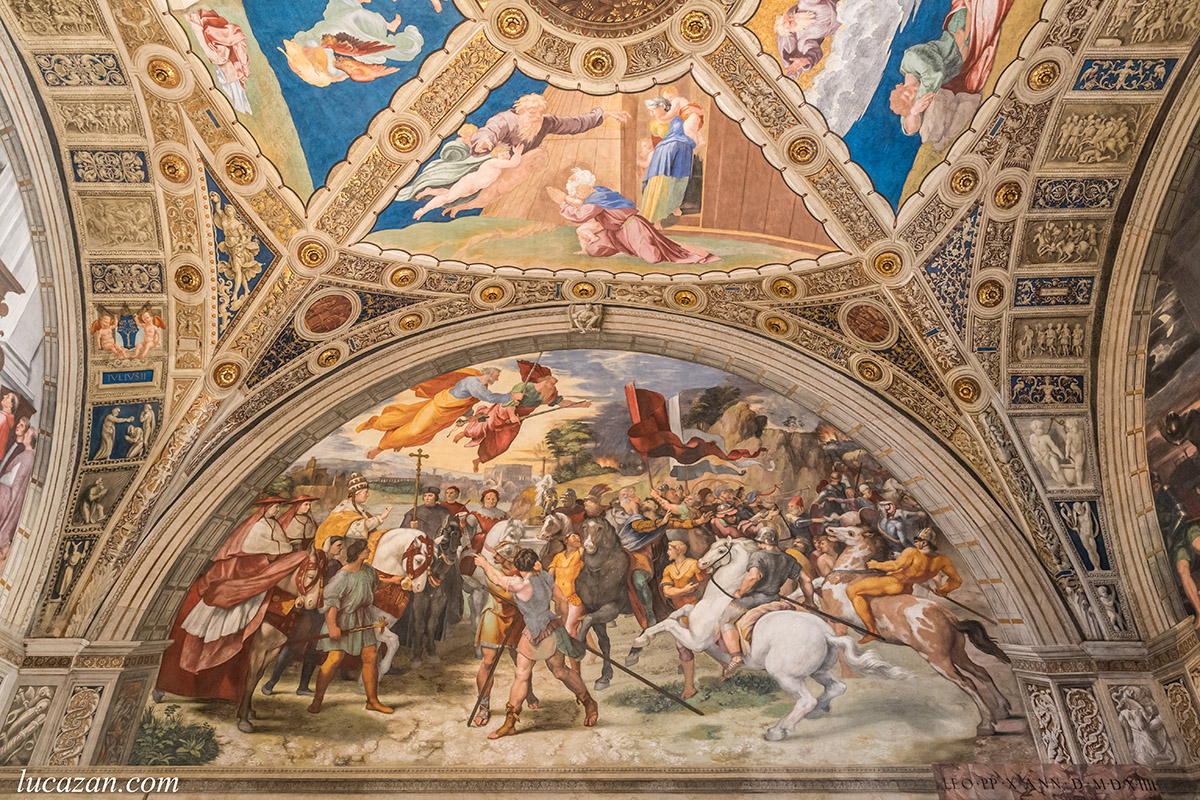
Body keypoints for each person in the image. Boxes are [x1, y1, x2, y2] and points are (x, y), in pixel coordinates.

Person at [155, 496, 314, 702]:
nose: (277, 510)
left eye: (278, 507)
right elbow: (252, 553)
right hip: (248, 575)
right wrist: (273, 558)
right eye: (274, 507)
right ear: (265, 508)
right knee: (232, 607)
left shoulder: (275, 525)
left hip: (265, 573)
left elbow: (282, 549)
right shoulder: (256, 527)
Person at [472, 548, 598, 739]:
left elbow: (497, 578)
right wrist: (562, 624)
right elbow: (561, 601)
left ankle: (588, 702)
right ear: (535, 564)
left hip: (539, 632)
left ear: (520, 568)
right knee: (539, 673)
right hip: (545, 629)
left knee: (546, 672)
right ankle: (511, 723)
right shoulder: (545, 576)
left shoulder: (521, 584)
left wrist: (484, 564)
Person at [307, 538, 409, 715]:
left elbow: (375, 583)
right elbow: (331, 602)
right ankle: (317, 700)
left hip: (363, 618)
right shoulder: (343, 576)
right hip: (343, 620)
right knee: (333, 660)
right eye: (366, 550)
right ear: (359, 553)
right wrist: (332, 626)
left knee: (371, 657)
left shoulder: (367, 570)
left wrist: (392, 580)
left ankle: (372, 701)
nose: (368, 552)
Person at [549, 169, 719, 265]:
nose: (578, 194)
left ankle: (669, 247)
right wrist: (568, 200)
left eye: (578, 190)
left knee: (652, 258)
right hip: (614, 233)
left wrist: (563, 203)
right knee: (593, 249)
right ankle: (627, 246)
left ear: (584, 186)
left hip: (633, 228)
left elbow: (579, 216)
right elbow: (582, 204)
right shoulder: (599, 192)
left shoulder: (596, 200)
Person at [358, 368, 519, 459]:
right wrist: (511, 397)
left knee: (424, 436)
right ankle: (381, 447)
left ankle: (399, 440)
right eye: (497, 376)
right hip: (439, 409)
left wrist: (472, 417)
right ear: (490, 373)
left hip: (446, 416)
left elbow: (465, 405)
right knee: (415, 430)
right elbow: (489, 398)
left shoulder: (481, 386)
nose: (497, 379)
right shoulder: (473, 382)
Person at [261, 536, 346, 697]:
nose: (341, 548)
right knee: (293, 645)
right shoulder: (317, 559)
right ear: (329, 545)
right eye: (338, 545)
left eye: (342, 546)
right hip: (308, 611)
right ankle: (271, 682)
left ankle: (303, 687)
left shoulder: (337, 566)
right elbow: (304, 579)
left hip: (323, 612)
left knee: (314, 649)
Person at [846, 527, 962, 643]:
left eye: (917, 541)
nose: (915, 544)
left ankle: (872, 631)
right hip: (908, 589)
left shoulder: (912, 552)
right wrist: (943, 590)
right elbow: (956, 580)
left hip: (894, 583)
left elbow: (896, 566)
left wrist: (877, 565)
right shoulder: (943, 560)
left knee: (852, 590)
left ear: (925, 542)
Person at [720, 527, 805, 679]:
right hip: (773, 599)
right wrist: (810, 600)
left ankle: (736, 657)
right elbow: (807, 580)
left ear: (761, 542)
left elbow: (753, 576)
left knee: (725, 620)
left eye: (759, 542)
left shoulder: (758, 555)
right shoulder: (789, 559)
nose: (758, 545)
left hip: (751, 600)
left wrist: (741, 592)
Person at [472, 542, 539, 726]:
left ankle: (528, 692)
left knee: (522, 661)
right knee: (488, 662)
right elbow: (504, 593)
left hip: (517, 619)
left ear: (508, 558)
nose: (494, 556)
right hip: (495, 617)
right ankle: (483, 705)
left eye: (498, 554)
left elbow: (516, 595)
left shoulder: (522, 573)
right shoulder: (493, 572)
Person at [411, 143, 526, 220]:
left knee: (449, 194)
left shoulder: (498, 166)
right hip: (469, 183)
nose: (507, 155)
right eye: (504, 153)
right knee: (448, 198)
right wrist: (517, 153)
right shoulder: (495, 162)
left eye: (508, 154)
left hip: (473, 187)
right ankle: (423, 210)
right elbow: (513, 163)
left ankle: (429, 191)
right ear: (497, 154)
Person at [661, 539, 704, 698]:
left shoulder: (693, 565)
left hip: (698, 609)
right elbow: (667, 592)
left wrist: (683, 591)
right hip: (681, 612)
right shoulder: (669, 569)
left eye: (670, 550)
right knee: (682, 647)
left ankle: (727, 667)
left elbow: (704, 583)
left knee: (708, 643)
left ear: (679, 550)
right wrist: (684, 590)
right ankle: (689, 687)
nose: (667, 552)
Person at [314, 473, 392, 551]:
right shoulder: (343, 511)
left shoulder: (358, 509)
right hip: (342, 552)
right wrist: (381, 518)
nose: (368, 495)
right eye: (365, 492)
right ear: (356, 493)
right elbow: (355, 531)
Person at [0, 421, 36, 557]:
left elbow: (14, 480)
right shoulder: (27, 455)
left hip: (7, 496)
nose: (25, 435)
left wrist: (2, 478)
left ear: (31, 440)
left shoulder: (27, 457)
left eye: (27, 434)